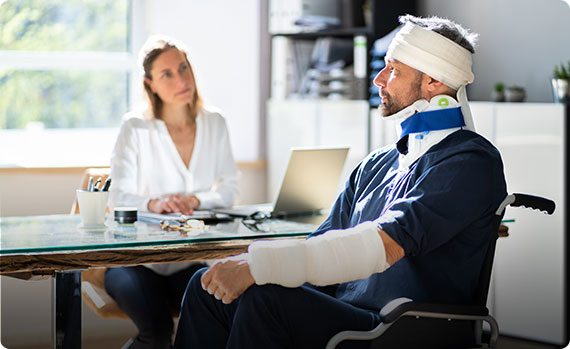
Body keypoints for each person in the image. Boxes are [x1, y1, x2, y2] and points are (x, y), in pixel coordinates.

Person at [173, 15, 507, 349]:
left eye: (393, 69)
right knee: (206, 287)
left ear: (434, 82)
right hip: (346, 314)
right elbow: (325, 242)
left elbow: (384, 245)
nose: (378, 79)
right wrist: (254, 271)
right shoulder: (376, 164)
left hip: (400, 327)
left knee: (265, 300)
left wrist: (259, 267)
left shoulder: (471, 163)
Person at [105, 35, 239, 349]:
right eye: (167, 74)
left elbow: (229, 190)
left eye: (183, 68)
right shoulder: (135, 128)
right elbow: (118, 198)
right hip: (135, 262)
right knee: (157, 332)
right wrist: (156, 202)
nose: (181, 79)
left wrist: (195, 200)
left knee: (224, 316)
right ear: (149, 84)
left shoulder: (215, 123)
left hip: (190, 260)